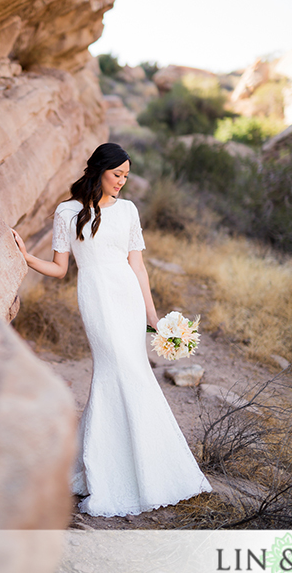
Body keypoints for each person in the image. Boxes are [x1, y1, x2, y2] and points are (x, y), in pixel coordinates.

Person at [13, 142, 211, 517]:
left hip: (129, 300)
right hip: (97, 298)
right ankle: (109, 470)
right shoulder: (68, 212)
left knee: (134, 374)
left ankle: (149, 469)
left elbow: (138, 267)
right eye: (117, 174)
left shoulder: (129, 211)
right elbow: (59, 269)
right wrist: (25, 257)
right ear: (98, 171)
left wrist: (153, 316)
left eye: (126, 176)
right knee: (115, 370)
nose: (122, 181)